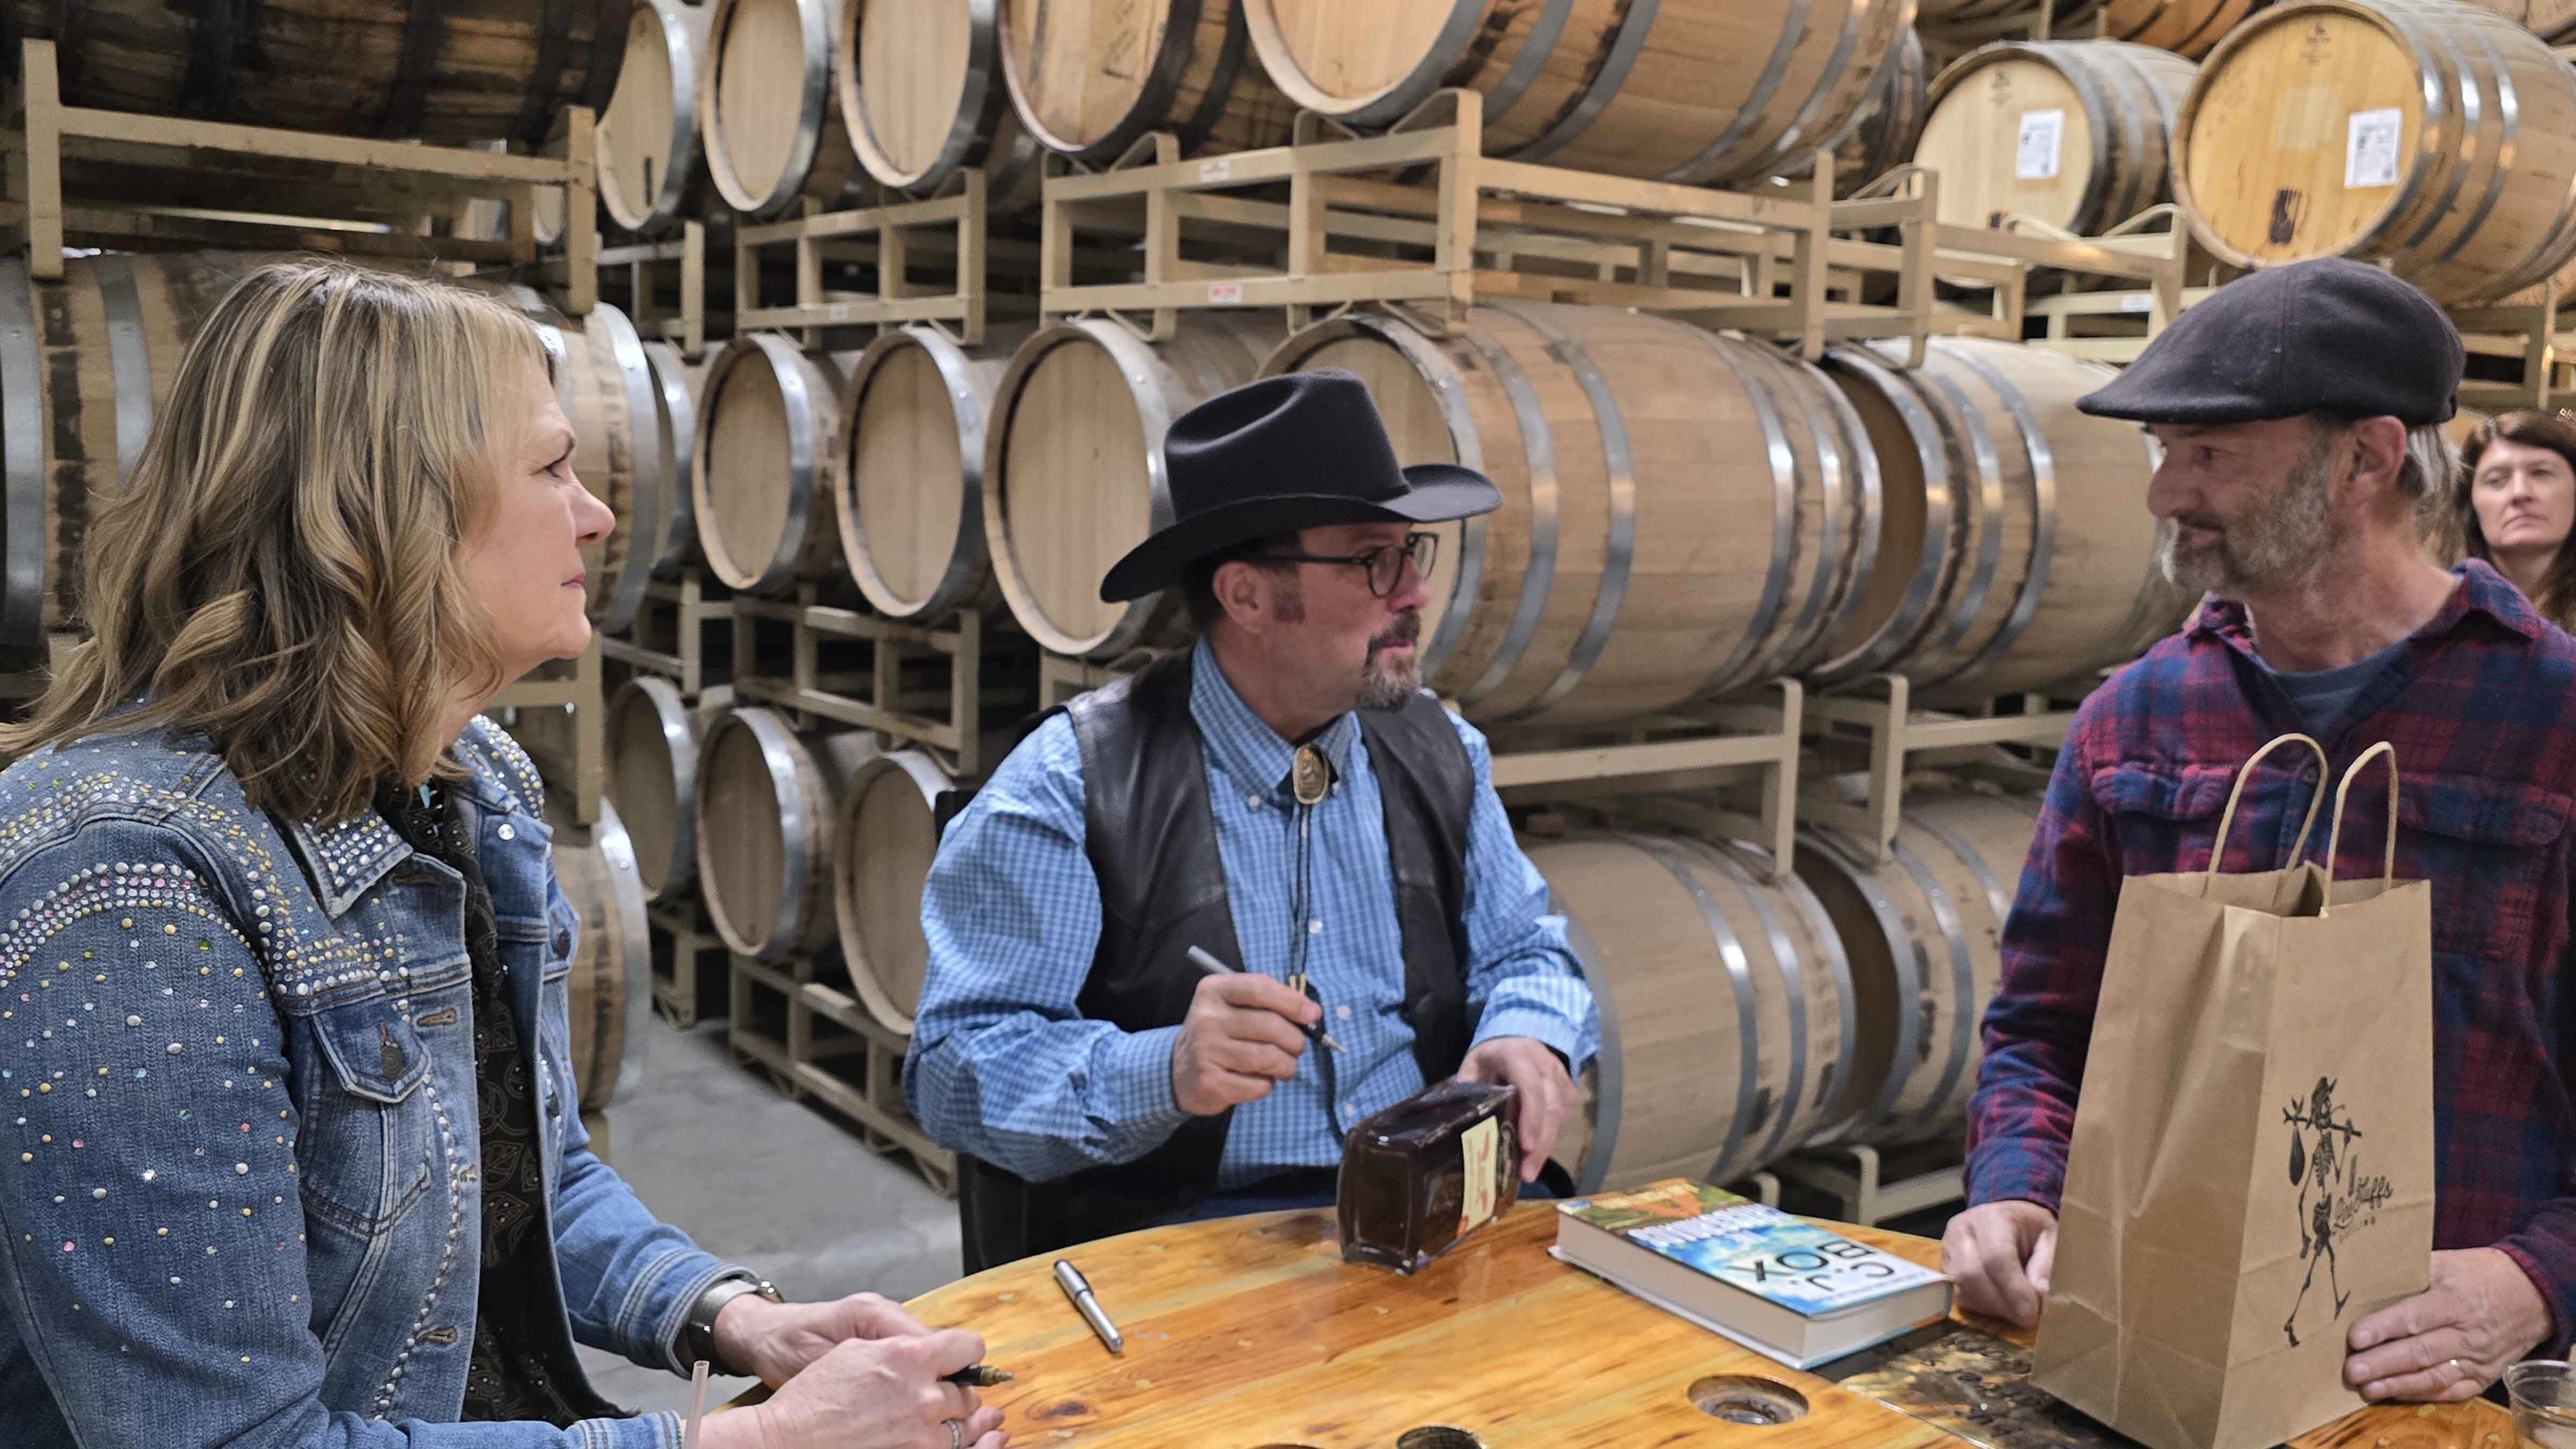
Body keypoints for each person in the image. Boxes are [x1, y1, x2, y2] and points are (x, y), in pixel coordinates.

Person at [0, 262, 1002, 1449]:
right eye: (550, 468)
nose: (597, 513)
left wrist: (729, 1317)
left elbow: (523, 1181)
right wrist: (739, 1442)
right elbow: (229, 1442)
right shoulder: (129, 889)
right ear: (393, 509)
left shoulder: (472, 787)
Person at [1944, 257, 2576, 1405]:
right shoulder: (2133, 718)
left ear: (2366, 458)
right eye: (2166, 453)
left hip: (2441, 1385)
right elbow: (2043, 1025)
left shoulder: (2553, 719)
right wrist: (2018, 1181)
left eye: (2212, 454)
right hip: (2150, 1359)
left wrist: (2538, 1280)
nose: (2165, 494)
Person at [905, 370, 1599, 1251]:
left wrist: (1528, 1035)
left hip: (1434, 1207)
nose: (1414, 593)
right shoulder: (1071, 786)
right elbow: (952, 1074)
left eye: (1410, 552)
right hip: (1189, 1239)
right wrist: (1163, 1072)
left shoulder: (1438, 751)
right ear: (1247, 597)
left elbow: (1526, 947)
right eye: (1369, 559)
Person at [2426, 409, 2576, 628]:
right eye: (2496, 480)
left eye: (2541, 473)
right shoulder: (2437, 614)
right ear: (2471, 502)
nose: (2519, 493)